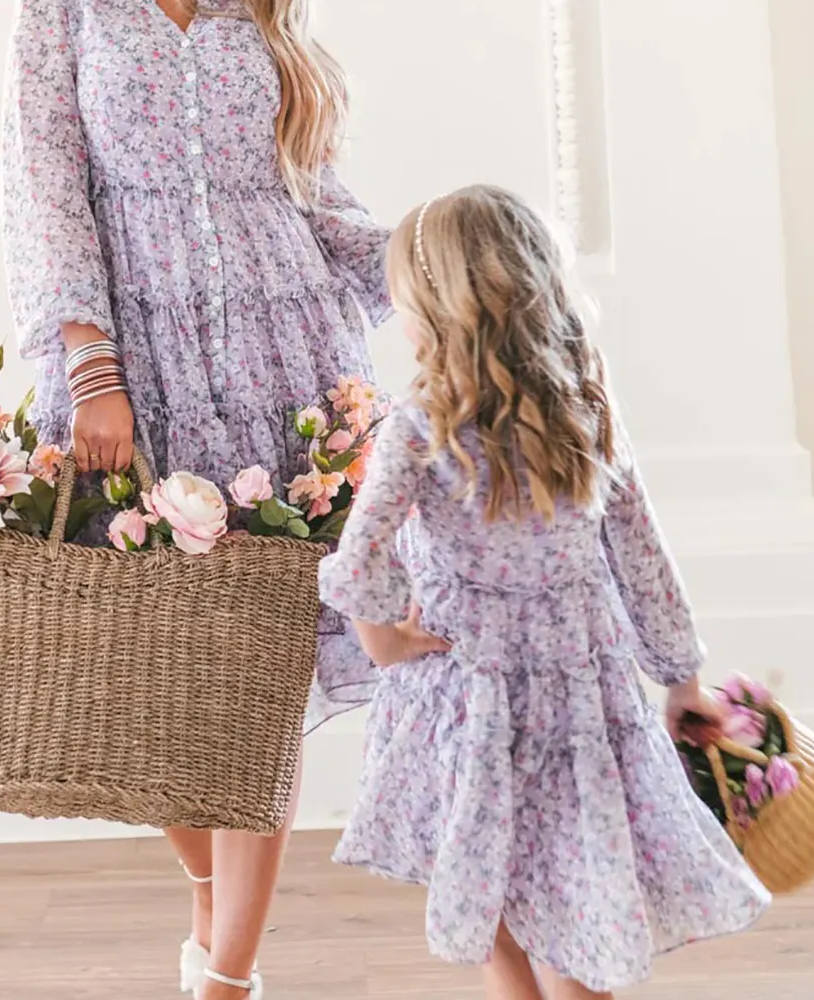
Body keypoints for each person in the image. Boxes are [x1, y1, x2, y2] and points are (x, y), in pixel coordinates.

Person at [0, 1, 391, 997]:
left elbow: (316, 193)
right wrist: (91, 365)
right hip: (134, 373)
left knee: (263, 675)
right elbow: (40, 176)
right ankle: (213, 895)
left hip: (283, 361)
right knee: (130, 677)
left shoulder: (258, 11)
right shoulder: (67, 10)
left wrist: (461, 279)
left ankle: (227, 976)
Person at [318, 185, 771, 1000]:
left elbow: (358, 560)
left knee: (478, 853)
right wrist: (679, 678)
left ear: (436, 310)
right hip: (578, 693)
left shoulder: (421, 423)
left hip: (466, 690)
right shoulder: (585, 408)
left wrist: (385, 642)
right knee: (572, 874)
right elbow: (642, 551)